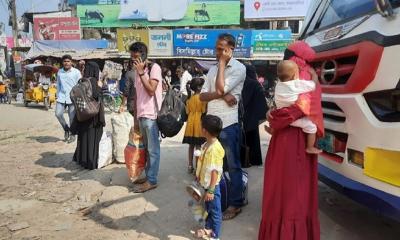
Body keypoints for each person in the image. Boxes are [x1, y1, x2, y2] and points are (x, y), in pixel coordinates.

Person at [200, 33, 246, 221]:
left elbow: (217, 89)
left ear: (230, 50)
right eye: (216, 48)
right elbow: (202, 96)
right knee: (212, 165)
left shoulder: (239, 68)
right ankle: (216, 200)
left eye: (221, 49)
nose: (217, 51)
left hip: (228, 124)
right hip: (211, 123)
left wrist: (221, 65)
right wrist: (224, 96)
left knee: (232, 165)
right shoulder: (211, 71)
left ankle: (236, 203)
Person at [128, 42, 163, 193]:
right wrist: (135, 117)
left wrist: (142, 73)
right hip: (142, 114)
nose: (133, 60)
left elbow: (151, 90)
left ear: (143, 55)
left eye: (136, 57)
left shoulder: (154, 68)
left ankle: (152, 180)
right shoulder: (137, 71)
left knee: (153, 149)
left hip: (151, 115)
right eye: (132, 57)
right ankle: (149, 176)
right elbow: (137, 95)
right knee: (146, 150)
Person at [271, 60, 321, 154]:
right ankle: (310, 147)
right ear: (295, 76)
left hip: (280, 115)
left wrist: (295, 70)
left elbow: (286, 73)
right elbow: (313, 85)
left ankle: (272, 129)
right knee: (312, 126)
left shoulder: (278, 84)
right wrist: (314, 74)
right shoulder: (296, 84)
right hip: (293, 118)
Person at [194, 115, 224, 240]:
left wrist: (211, 190)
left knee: (215, 212)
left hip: (212, 187)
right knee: (208, 209)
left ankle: (215, 236)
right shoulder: (207, 144)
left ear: (205, 130)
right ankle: (208, 229)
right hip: (205, 184)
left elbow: (215, 172)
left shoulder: (214, 149)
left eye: (201, 126)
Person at [70, 62, 105, 170]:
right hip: (93, 115)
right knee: (92, 138)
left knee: (83, 137)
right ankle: (90, 162)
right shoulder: (94, 81)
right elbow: (95, 95)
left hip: (82, 113)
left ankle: (80, 159)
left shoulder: (82, 81)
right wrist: (100, 86)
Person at [241, 64, 267, 166]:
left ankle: (243, 160)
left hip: (241, 114)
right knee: (253, 138)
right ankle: (253, 160)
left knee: (242, 137)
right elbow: (261, 102)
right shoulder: (256, 84)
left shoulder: (240, 82)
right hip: (253, 115)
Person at [55, 54, 82, 143]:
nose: (66, 63)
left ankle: (73, 134)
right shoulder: (60, 72)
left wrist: (78, 95)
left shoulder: (76, 72)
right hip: (62, 97)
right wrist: (58, 94)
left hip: (72, 97)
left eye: (68, 61)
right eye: (65, 61)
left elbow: (80, 84)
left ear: (71, 62)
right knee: (58, 114)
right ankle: (66, 129)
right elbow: (58, 84)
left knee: (72, 117)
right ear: (62, 63)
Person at [183, 77, 207, 173]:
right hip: (198, 123)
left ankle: (190, 165)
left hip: (190, 124)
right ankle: (198, 167)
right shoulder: (202, 98)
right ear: (198, 87)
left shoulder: (189, 99)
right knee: (198, 146)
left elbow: (187, 111)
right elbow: (204, 111)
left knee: (191, 146)